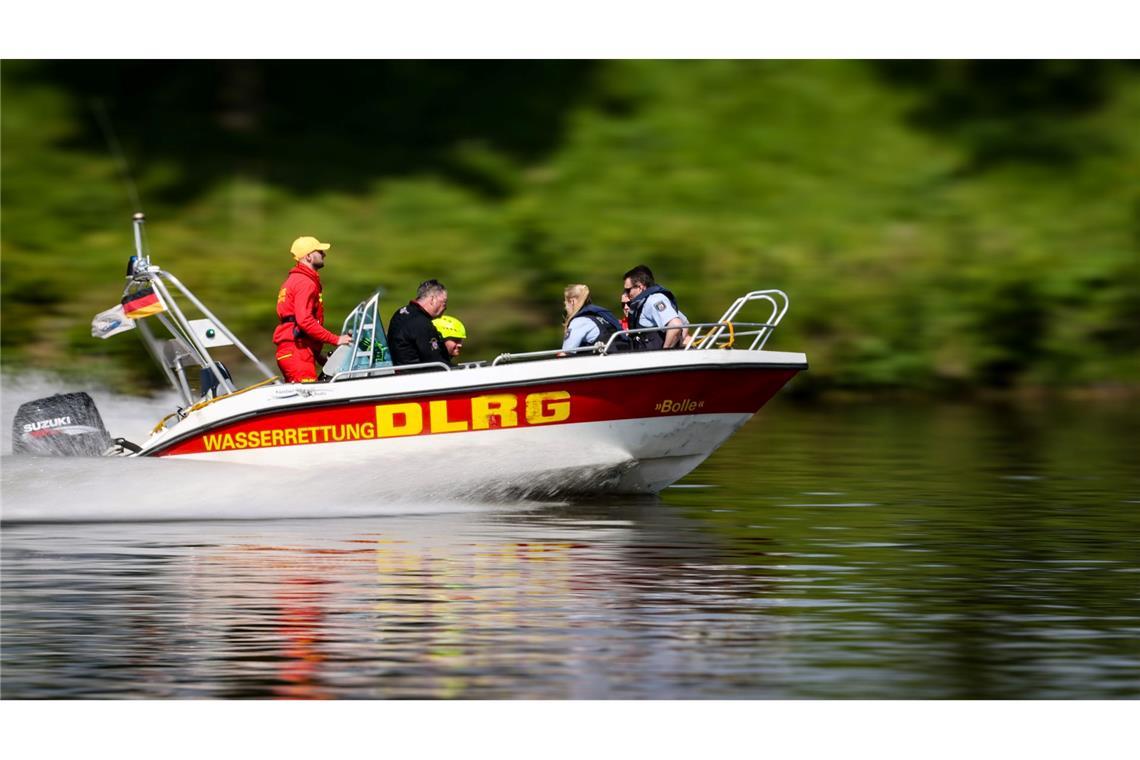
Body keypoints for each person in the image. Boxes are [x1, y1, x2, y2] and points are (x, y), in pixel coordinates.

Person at [273, 236, 351, 383]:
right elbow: (304, 321)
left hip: (295, 351)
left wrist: (319, 357)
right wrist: (337, 340)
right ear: (308, 256)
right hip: (298, 354)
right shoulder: (305, 282)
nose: (324, 254)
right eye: (320, 251)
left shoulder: (295, 280)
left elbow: (295, 325)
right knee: (309, 398)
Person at [622, 264, 688, 350]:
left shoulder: (653, 300)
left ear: (640, 287)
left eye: (628, 290)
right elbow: (685, 323)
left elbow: (676, 325)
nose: (626, 294)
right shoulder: (645, 302)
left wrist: (666, 351)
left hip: (656, 359)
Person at [388, 279, 451, 367]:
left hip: (401, 370)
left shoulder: (401, 312)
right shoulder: (421, 323)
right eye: (444, 303)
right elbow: (436, 361)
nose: (445, 307)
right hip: (415, 375)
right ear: (433, 300)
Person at [560, 284, 623, 355]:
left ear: (572, 301)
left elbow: (566, 353)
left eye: (565, 304)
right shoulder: (601, 316)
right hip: (619, 355)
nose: (566, 308)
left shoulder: (579, 321)